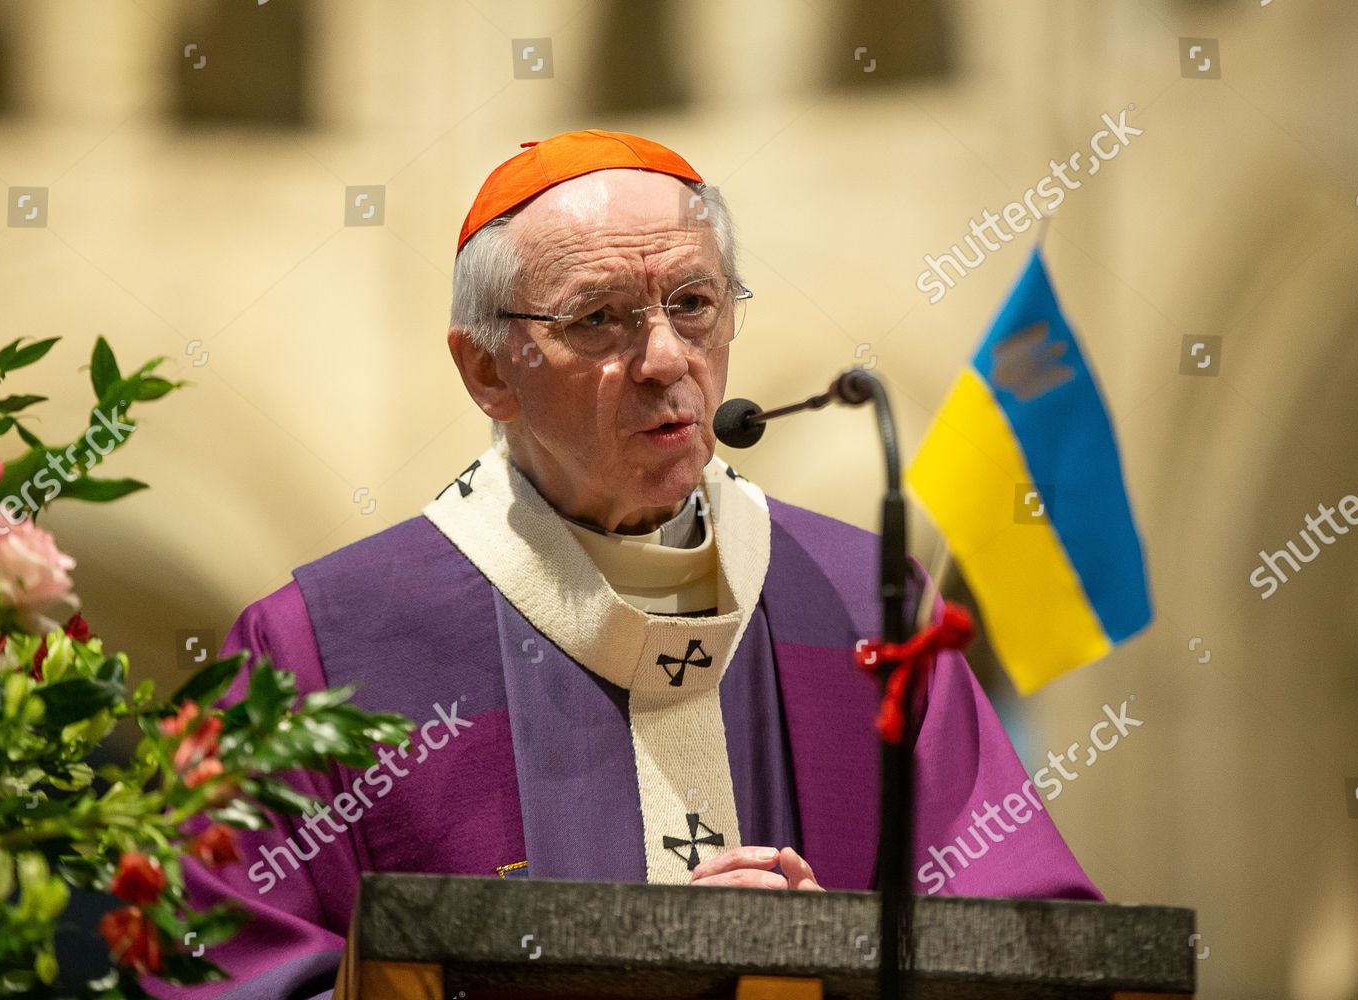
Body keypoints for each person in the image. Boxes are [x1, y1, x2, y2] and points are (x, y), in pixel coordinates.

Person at [148, 129, 1100, 1000]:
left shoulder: (866, 603)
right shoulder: (321, 645)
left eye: (693, 304)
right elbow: (221, 974)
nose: (662, 357)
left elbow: (1040, 947)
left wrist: (838, 959)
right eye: (599, 318)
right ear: (487, 369)